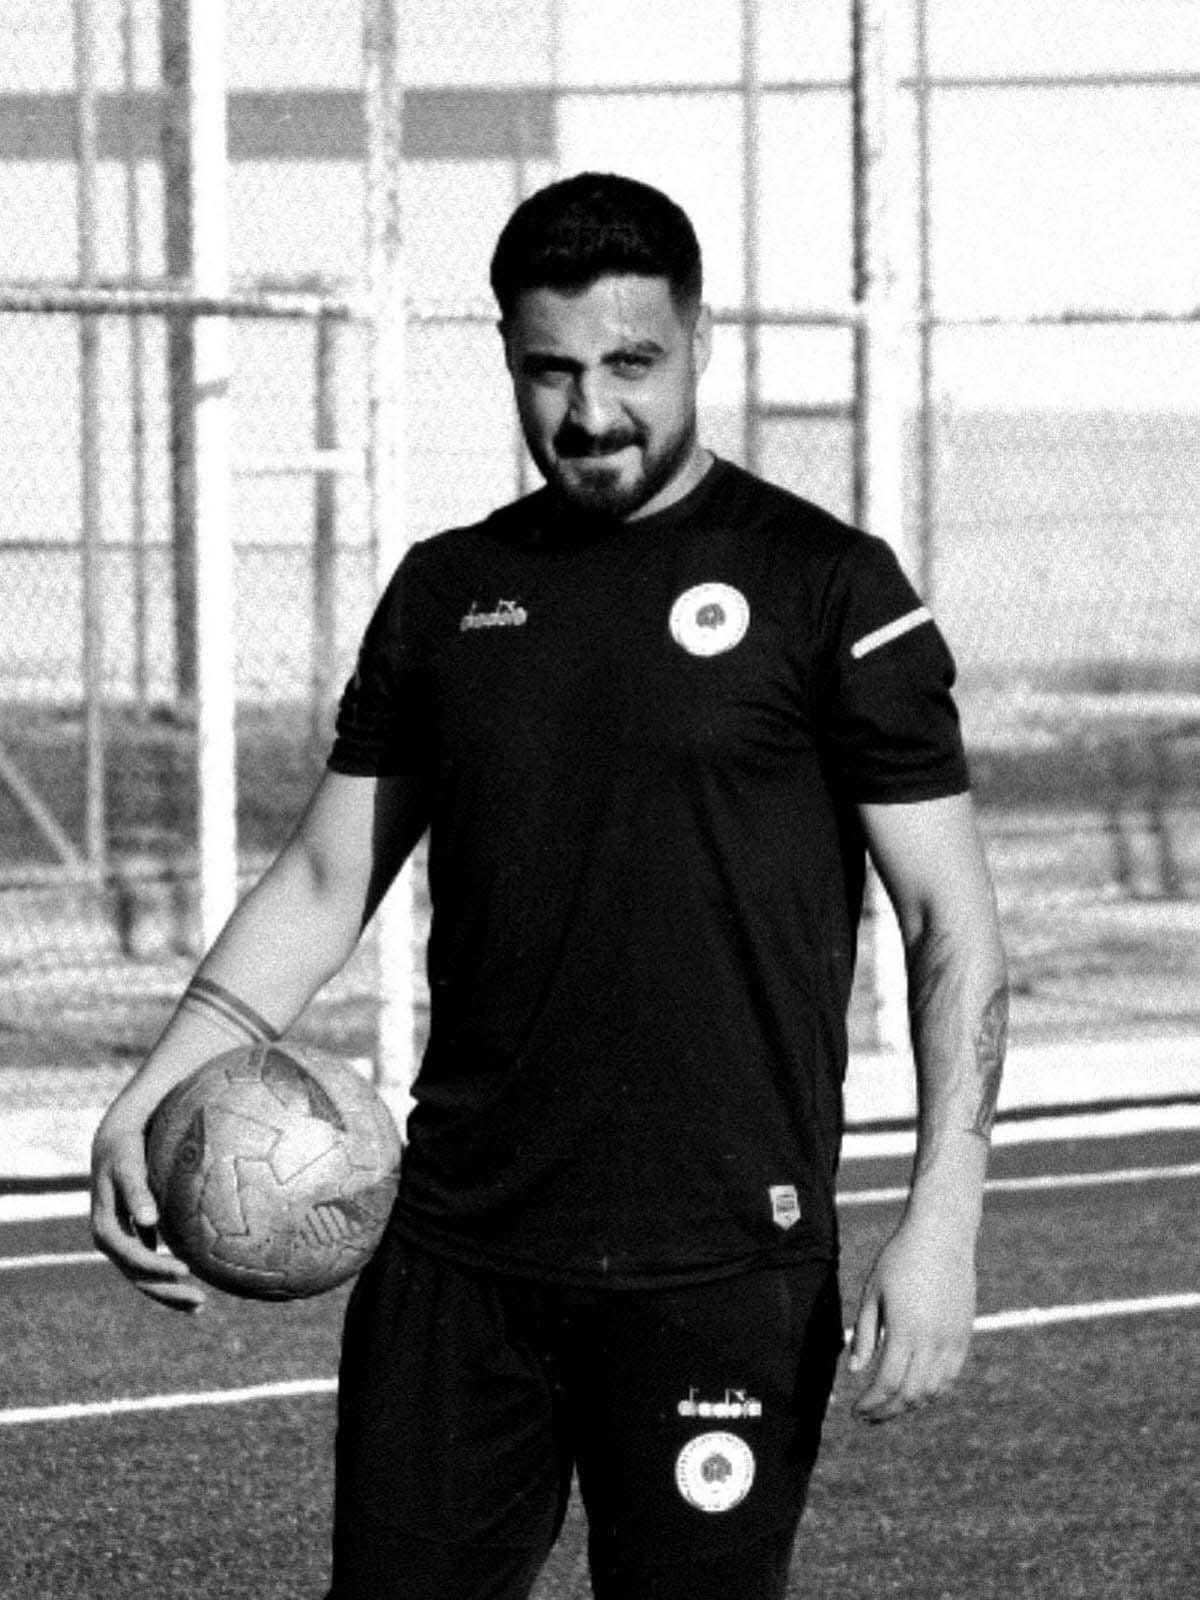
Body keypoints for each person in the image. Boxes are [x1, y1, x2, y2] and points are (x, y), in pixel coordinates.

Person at [92, 172, 1008, 1600]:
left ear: (700, 342)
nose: (592, 413)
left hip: (721, 1263)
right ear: (509, 358)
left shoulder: (830, 586)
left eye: (632, 363)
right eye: (552, 370)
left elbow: (950, 920)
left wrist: (944, 1215)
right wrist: (155, 1087)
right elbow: (328, 878)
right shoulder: (448, 591)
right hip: (458, 1255)